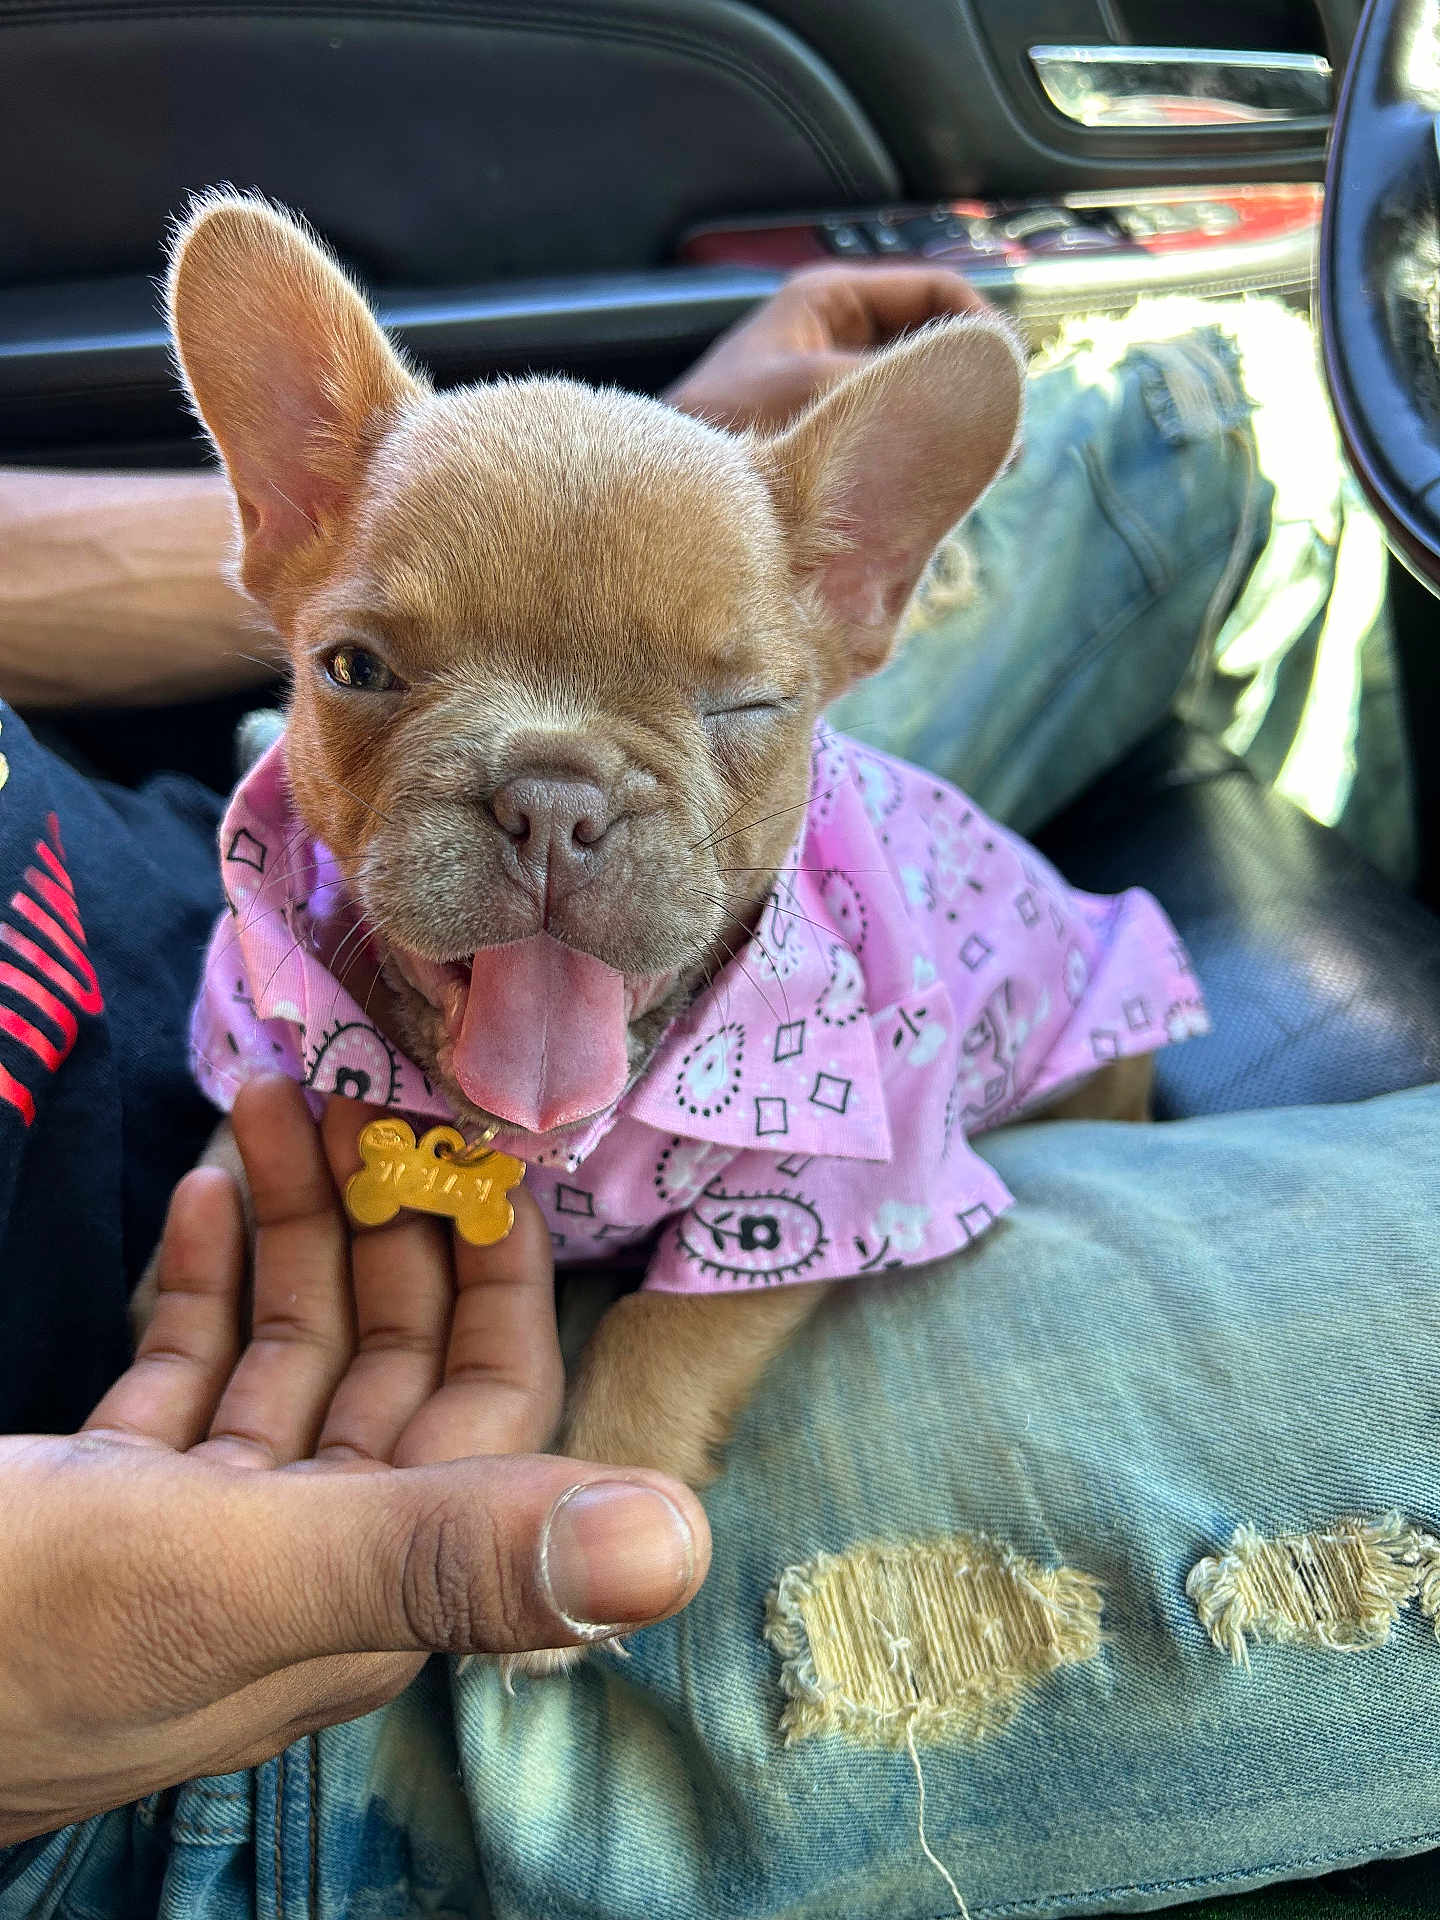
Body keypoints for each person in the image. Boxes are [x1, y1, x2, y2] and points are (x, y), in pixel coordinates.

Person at [3, 263, 1434, 1916]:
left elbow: (830, 1165)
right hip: (124, 1588)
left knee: (1197, 401)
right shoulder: (286, 963)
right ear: (286, 518)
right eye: (370, 668)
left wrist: (617, 495)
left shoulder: (812, 993)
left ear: (863, 597)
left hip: (902, 1080)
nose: (548, 816)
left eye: (743, 691)